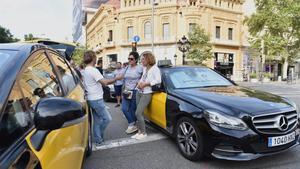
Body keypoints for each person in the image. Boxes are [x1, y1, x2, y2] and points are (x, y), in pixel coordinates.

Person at [82, 51, 121, 146]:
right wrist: (116, 79)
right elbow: (105, 82)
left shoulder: (86, 70)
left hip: (91, 98)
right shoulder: (93, 70)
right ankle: (98, 136)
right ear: (93, 58)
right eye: (95, 57)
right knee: (107, 119)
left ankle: (98, 139)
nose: (96, 59)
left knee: (97, 120)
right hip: (96, 99)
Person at [131, 51, 161, 140]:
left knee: (138, 113)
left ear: (148, 59)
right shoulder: (145, 69)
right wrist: (139, 83)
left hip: (147, 93)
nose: (141, 61)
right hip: (139, 92)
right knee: (139, 113)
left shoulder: (155, 69)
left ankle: (143, 133)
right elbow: (142, 78)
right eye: (141, 59)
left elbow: (158, 80)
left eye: (143, 59)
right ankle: (140, 132)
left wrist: (146, 84)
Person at [120, 51, 143, 134]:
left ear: (136, 59)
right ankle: (132, 123)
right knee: (124, 108)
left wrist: (140, 81)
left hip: (135, 90)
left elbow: (145, 76)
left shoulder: (140, 68)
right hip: (127, 91)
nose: (129, 60)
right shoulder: (126, 68)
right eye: (128, 58)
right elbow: (122, 77)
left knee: (133, 109)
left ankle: (132, 125)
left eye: (131, 59)